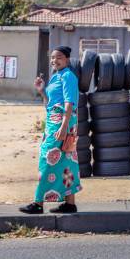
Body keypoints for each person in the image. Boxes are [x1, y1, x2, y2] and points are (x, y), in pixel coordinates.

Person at [19, 46, 82, 214]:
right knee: (66, 163)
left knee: (48, 160)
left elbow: (69, 103)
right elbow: (50, 106)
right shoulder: (55, 77)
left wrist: (63, 127)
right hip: (54, 123)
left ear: (67, 59)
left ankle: (38, 203)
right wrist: (42, 92)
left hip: (62, 125)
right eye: (53, 58)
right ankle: (70, 204)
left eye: (59, 57)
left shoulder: (68, 76)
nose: (55, 60)